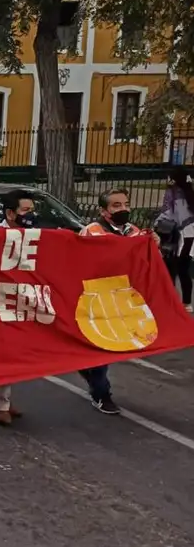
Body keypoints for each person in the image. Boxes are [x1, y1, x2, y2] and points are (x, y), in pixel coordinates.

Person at [76, 188, 155, 415]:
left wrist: (152, 244)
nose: (124, 209)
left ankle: (89, 372)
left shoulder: (133, 231)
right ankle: (101, 393)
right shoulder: (92, 231)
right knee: (104, 345)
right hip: (97, 296)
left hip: (123, 297)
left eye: (126, 204)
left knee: (114, 345)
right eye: (116, 205)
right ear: (104, 210)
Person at [0, 188, 37, 426]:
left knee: (15, 354)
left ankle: (0, 398)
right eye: (26, 210)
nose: (31, 215)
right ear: (10, 213)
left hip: (23, 302)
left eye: (32, 211)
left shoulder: (36, 235)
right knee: (2, 353)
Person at [160, 166, 194, 311]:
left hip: (176, 235)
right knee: (184, 269)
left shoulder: (172, 193)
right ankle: (187, 303)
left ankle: (170, 300)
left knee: (171, 268)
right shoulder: (190, 192)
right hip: (190, 235)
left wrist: (156, 224)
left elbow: (168, 213)